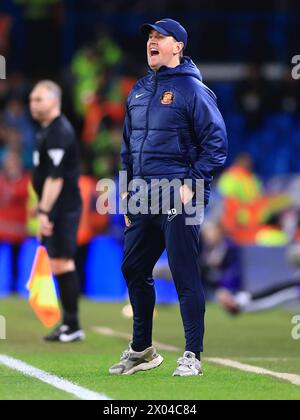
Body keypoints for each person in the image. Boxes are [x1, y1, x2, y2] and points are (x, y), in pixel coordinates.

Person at [109, 19, 227, 377]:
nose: (151, 42)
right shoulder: (139, 89)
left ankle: (192, 355)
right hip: (144, 195)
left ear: (179, 46)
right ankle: (143, 351)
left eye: (160, 37)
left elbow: (217, 144)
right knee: (132, 267)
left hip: (180, 194)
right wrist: (127, 187)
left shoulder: (194, 90)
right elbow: (129, 145)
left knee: (183, 273)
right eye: (149, 37)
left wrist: (193, 182)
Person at [30, 80, 84, 343]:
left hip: (63, 207)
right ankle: (69, 324)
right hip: (55, 206)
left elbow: (56, 178)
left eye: (38, 99)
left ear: (54, 100)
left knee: (63, 261)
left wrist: (44, 210)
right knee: (58, 262)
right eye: (32, 99)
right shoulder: (46, 130)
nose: (33, 104)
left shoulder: (59, 131)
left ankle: (72, 325)